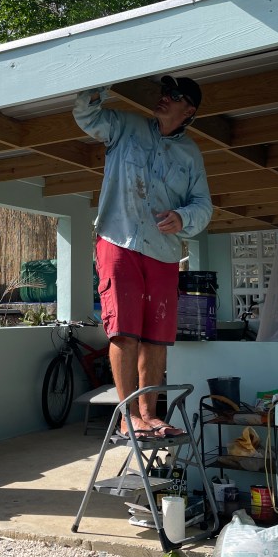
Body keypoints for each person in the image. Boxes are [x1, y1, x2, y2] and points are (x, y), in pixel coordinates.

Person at [72, 76, 212, 439]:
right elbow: (87, 116)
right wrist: (102, 82)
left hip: (163, 253)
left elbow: (203, 205)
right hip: (118, 241)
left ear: (189, 110)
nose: (165, 98)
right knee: (124, 331)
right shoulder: (126, 126)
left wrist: (183, 217)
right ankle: (128, 416)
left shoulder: (191, 153)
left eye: (175, 96)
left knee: (157, 337)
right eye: (165, 92)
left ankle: (149, 415)